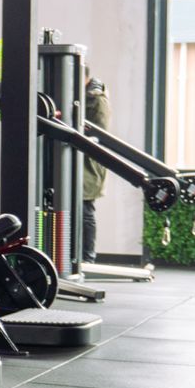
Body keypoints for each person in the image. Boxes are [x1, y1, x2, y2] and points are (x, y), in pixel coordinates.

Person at [81, 75, 110, 264]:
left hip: (89, 165)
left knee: (85, 209)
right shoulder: (82, 96)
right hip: (77, 162)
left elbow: (99, 132)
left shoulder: (96, 99)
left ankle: (87, 258)